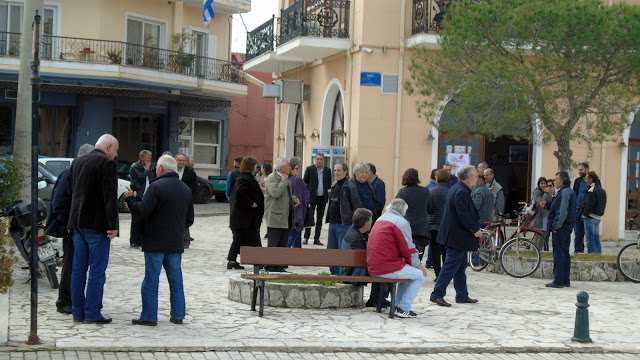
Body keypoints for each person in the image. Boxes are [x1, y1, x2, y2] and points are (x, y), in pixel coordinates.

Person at [124, 155, 194, 326]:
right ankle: (178, 314)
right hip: (175, 242)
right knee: (176, 280)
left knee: (151, 280)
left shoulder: (156, 187)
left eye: (156, 167)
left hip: (155, 241)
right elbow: (189, 219)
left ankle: (149, 316)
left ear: (161, 168)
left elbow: (142, 211)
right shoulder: (185, 189)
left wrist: (130, 198)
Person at [67, 134, 119, 324]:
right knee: (97, 271)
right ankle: (92, 313)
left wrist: (70, 222)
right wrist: (112, 226)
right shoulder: (107, 164)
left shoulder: (78, 162)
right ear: (109, 146)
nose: (115, 155)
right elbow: (109, 197)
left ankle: (77, 312)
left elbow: (71, 193)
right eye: (116, 150)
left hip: (78, 223)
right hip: (97, 226)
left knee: (78, 270)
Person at [45, 143, 94, 315]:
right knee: (71, 266)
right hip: (72, 228)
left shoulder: (78, 174)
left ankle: (73, 299)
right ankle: (64, 301)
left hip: (79, 228)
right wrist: (68, 224)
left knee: (77, 266)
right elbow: (59, 203)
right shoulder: (69, 175)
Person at [430, 165, 483, 307]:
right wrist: (474, 230)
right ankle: (437, 294)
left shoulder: (458, 188)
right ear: (470, 177)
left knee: (460, 267)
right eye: (476, 176)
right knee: (451, 265)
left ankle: (462, 295)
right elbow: (463, 214)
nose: (477, 179)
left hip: (457, 235)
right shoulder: (460, 191)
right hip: (457, 236)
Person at [368, 199, 427, 318]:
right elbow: (408, 249)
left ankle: (397, 305)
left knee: (409, 273)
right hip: (388, 266)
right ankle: (403, 307)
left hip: (375, 265)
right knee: (420, 275)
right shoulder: (401, 222)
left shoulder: (381, 219)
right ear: (403, 211)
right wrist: (419, 266)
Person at [340, 208, 390, 309]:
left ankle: (379, 298)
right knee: (382, 270)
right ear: (366, 223)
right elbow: (367, 258)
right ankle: (375, 300)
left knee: (385, 268)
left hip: (355, 269)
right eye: (371, 219)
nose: (372, 221)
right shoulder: (355, 237)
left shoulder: (358, 232)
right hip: (352, 272)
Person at [228, 156, 264, 269]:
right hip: (245, 218)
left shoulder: (244, 177)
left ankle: (233, 260)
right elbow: (240, 193)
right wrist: (251, 203)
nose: (256, 168)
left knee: (240, 239)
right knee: (252, 239)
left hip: (244, 218)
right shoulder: (244, 178)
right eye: (255, 165)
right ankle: (258, 261)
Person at [326, 163, 362, 275]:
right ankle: (333, 273)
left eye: (338, 170)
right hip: (332, 223)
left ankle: (342, 273)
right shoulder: (334, 185)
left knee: (343, 251)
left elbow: (357, 205)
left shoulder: (350, 186)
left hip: (344, 224)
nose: (336, 172)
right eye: (335, 170)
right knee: (332, 250)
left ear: (345, 172)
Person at [264, 157, 299, 272]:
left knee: (282, 243)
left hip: (285, 217)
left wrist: (293, 198)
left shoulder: (286, 179)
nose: (290, 168)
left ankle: (279, 266)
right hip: (275, 217)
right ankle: (270, 266)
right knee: (274, 243)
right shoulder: (271, 178)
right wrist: (284, 181)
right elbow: (275, 193)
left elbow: (285, 194)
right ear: (282, 168)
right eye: (288, 166)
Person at [545, 171, 576, 288]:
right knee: (564, 253)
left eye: (556, 180)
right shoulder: (568, 192)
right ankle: (565, 279)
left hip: (561, 228)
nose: (554, 182)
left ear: (561, 181)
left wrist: (556, 227)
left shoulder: (564, 193)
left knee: (559, 254)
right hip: (566, 227)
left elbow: (562, 212)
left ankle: (558, 280)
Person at [395, 168, 432, 261]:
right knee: (418, 255)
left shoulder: (402, 192)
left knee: (406, 254)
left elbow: (396, 208)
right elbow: (430, 207)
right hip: (421, 227)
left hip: (406, 226)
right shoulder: (425, 191)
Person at [302, 153, 331, 245]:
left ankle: (317, 238)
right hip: (311, 197)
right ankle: (306, 237)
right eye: (317, 159)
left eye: (321, 159)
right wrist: (308, 192)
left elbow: (329, 183)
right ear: (315, 160)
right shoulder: (310, 169)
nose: (319, 161)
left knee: (319, 219)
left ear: (324, 160)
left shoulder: (327, 170)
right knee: (309, 217)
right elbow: (305, 182)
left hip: (322, 197)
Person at [427, 169, 450, 278]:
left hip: (433, 225)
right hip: (447, 226)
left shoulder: (431, 191)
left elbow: (428, 208)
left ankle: (438, 274)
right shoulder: (451, 191)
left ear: (437, 178)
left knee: (435, 251)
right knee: (446, 250)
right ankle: (446, 274)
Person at [129, 149, 152, 249]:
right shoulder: (135, 167)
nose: (149, 160)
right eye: (147, 158)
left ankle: (142, 240)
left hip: (147, 195)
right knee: (136, 220)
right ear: (141, 158)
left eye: (150, 158)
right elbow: (141, 178)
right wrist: (146, 170)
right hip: (138, 195)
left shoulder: (149, 167)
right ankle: (134, 241)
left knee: (144, 220)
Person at [287, 157, 310, 248]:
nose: (298, 170)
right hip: (298, 213)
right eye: (296, 169)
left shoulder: (286, 180)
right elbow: (305, 196)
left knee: (297, 237)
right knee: (293, 235)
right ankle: (282, 256)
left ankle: (298, 257)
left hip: (288, 213)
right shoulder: (298, 180)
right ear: (291, 170)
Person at [176, 153, 197, 248]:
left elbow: (194, 188)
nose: (181, 162)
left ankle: (185, 240)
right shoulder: (171, 171)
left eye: (183, 160)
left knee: (184, 220)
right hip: (172, 200)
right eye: (179, 160)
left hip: (185, 201)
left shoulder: (190, 173)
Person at [582, 171, 606, 254]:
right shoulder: (602, 190)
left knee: (590, 238)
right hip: (598, 217)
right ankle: (598, 253)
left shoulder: (592, 190)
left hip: (591, 217)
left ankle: (591, 253)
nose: (585, 180)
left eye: (587, 179)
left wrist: (584, 214)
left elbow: (589, 204)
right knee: (596, 237)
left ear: (591, 179)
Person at [531, 177, 553, 250]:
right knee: (538, 234)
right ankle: (534, 250)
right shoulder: (537, 192)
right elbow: (541, 202)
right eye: (541, 183)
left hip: (546, 216)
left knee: (543, 235)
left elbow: (551, 201)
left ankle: (539, 250)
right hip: (539, 217)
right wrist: (546, 193)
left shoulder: (546, 192)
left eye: (544, 183)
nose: (543, 185)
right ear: (539, 184)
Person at [573, 162, 589, 253]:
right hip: (577, 210)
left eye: (581, 170)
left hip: (587, 210)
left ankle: (592, 252)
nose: (579, 172)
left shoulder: (593, 180)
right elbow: (575, 194)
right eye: (579, 170)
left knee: (588, 232)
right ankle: (578, 250)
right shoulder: (577, 181)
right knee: (578, 232)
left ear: (587, 169)